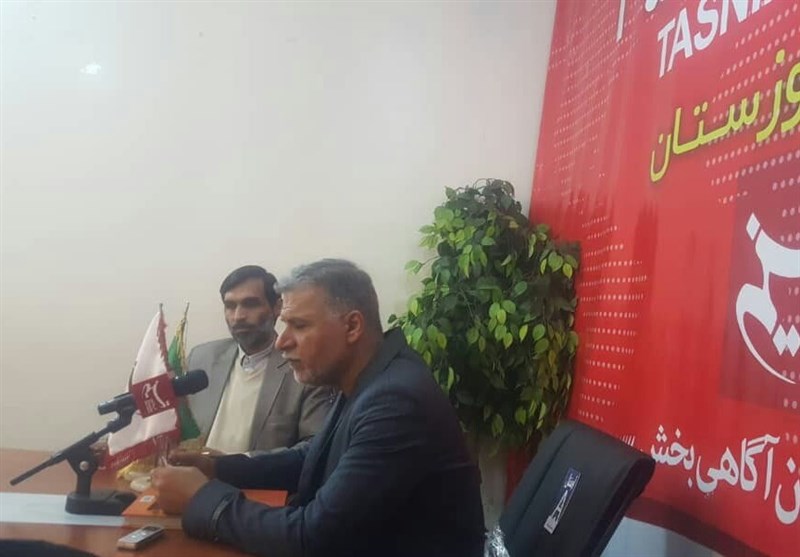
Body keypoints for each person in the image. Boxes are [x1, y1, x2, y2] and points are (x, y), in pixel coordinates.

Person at [152, 259, 485, 557]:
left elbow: (312, 538)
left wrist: (202, 498)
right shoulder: (370, 375)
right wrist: (217, 469)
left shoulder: (395, 401)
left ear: (352, 327)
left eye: (299, 326)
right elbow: (313, 458)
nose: (282, 341)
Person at [186, 265, 331, 454]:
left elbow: (313, 447)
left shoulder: (305, 368)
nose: (238, 316)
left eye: (250, 304)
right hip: (188, 472)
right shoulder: (201, 358)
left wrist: (227, 465)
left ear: (277, 307)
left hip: (254, 474)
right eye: (230, 306)